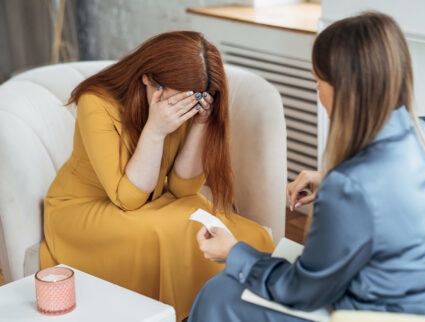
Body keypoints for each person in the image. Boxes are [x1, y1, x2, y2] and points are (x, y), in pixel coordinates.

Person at [188, 11, 425, 322]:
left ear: (344, 90)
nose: (317, 91)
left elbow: (301, 291)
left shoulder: (350, 186)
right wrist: (328, 179)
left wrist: (233, 252)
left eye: (317, 81)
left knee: (220, 294)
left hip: (384, 314)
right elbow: (393, 191)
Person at [39, 31, 274, 321]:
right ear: (148, 79)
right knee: (172, 230)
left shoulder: (186, 101)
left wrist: (199, 124)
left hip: (152, 199)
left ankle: (235, 309)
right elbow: (128, 199)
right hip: (84, 209)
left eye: (195, 100)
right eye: (179, 102)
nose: (184, 109)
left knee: (235, 230)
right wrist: (156, 129)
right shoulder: (96, 102)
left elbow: (182, 189)